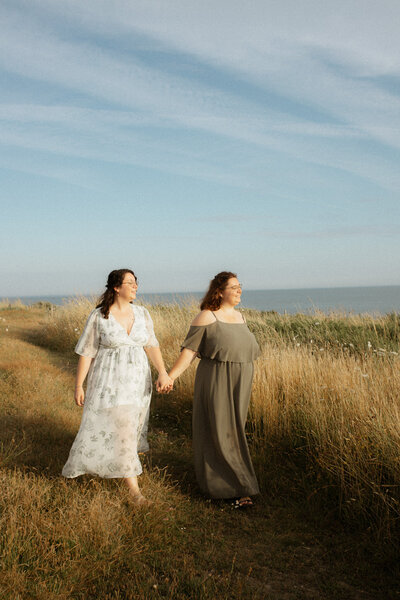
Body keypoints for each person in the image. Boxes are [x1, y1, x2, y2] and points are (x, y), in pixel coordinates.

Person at [62, 269, 172, 506]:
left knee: (129, 429)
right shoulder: (99, 316)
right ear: (116, 287)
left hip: (138, 382)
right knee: (121, 428)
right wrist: (79, 385)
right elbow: (87, 352)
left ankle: (115, 467)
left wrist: (162, 372)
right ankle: (134, 492)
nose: (135, 287)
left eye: (136, 283)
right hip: (109, 381)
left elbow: (151, 345)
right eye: (130, 283)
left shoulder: (142, 313)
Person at [165, 271, 260, 507]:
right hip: (217, 378)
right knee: (220, 428)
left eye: (240, 286)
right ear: (219, 291)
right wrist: (170, 377)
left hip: (242, 380)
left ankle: (235, 484)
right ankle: (235, 488)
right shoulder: (207, 317)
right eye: (234, 287)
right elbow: (189, 352)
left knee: (234, 429)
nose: (239, 291)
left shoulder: (240, 317)